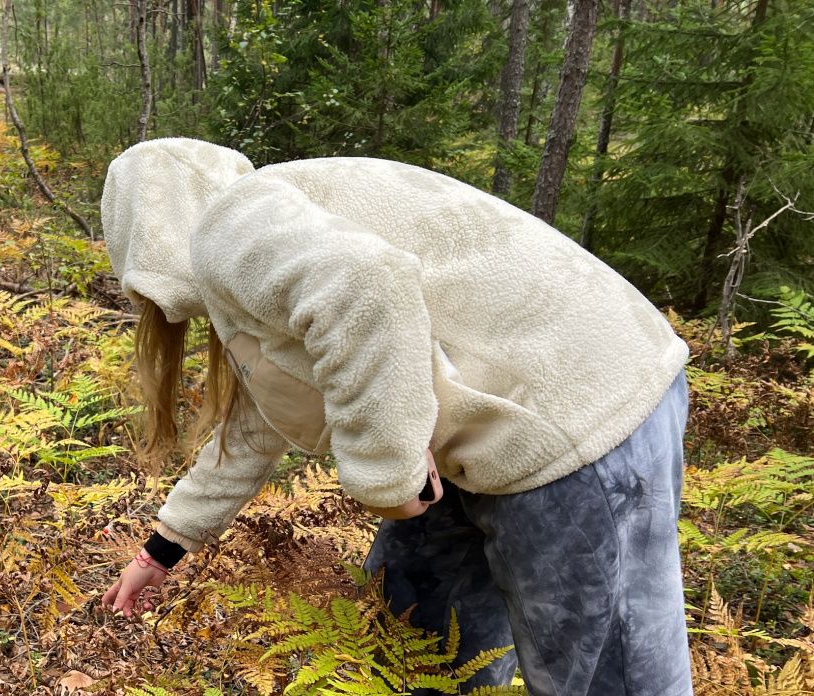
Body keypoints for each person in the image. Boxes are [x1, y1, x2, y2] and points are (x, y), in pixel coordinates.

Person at [96, 137, 693, 696]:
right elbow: (254, 426)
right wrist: (163, 550)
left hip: (580, 413)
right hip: (484, 426)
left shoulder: (230, 224)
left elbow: (368, 283)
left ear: (146, 233)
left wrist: (383, 477)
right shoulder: (266, 235)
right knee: (412, 626)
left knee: (600, 675)